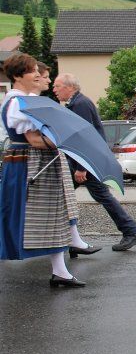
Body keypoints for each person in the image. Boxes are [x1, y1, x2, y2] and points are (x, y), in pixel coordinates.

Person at [0, 54, 88, 287]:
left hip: (32, 162)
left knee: (52, 216)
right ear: (19, 76)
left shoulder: (25, 100)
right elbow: (34, 140)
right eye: (32, 71)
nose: (38, 75)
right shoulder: (19, 103)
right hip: (29, 163)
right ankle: (60, 271)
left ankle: (60, 271)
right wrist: (60, 141)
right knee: (35, 216)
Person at [52, 73, 136, 254]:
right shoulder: (77, 103)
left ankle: (131, 231)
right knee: (67, 197)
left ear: (70, 87)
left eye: (57, 86)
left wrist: (80, 168)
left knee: (97, 196)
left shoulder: (80, 104)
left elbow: (84, 137)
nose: (54, 90)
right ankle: (72, 240)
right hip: (83, 161)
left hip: (85, 162)